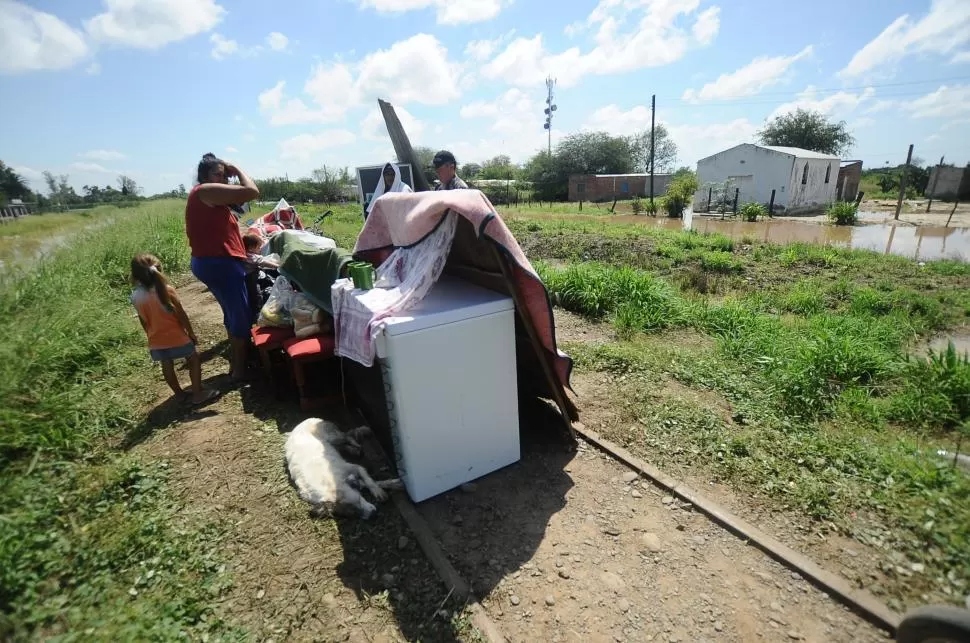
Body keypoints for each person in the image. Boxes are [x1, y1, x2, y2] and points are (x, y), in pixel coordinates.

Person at [185, 153, 260, 381]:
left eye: (224, 174)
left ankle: (238, 364)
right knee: (240, 316)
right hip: (219, 263)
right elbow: (252, 192)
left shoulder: (210, 197)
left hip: (214, 261)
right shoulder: (205, 191)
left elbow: (241, 208)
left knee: (232, 312)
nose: (224, 178)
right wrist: (236, 169)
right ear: (204, 177)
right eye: (218, 174)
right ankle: (239, 371)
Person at [130, 254, 217, 406]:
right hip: (176, 336)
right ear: (159, 270)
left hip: (155, 338)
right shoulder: (167, 290)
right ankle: (198, 394)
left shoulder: (135, 296)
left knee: (166, 363)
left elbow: (143, 320)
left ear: (135, 275)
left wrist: (149, 335)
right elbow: (181, 314)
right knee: (193, 359)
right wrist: (190, 333)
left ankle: (179, 394)